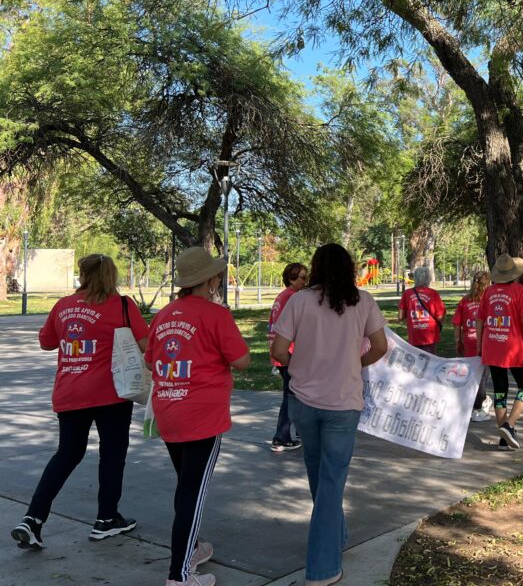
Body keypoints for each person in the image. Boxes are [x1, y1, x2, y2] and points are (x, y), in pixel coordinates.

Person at [11, 254, 149, 551]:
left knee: (67, 454)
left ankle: (33, 518)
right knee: (113, 454)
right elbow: (146, 344)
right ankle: (106, 518)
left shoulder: (63, 306)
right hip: (111, 393)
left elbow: (46, 342)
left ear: (82, 274)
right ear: (111, 275)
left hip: (70, 392)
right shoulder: (122, 306)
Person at [271, 243, 388, 586]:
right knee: (331, 481)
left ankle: (334, 538)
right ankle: (323, 568)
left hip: (303, 401)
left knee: (319, 475)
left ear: (316, 267)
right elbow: (379, 346)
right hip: (342, 403)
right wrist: (355, 362)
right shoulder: (362, 301)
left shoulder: (299, 301)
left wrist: (302, 364)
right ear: (349, 268)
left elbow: (279, 351)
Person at [148, 246, 251, 586]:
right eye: (216, 275)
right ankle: (179, 576)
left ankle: (189, 550)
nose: (218, 279)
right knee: (193, 492)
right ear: (208, 280)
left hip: (169, 411)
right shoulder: (216, 315)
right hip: (202, 416)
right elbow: (241, 360)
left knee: (186, 487)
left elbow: (151, 360)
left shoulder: (165, 314)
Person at [479, 254, 523, 451]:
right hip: (515, 348)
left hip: (493, 346)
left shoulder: (488, 292)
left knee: (500, 390)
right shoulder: (520, 291)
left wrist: (480, 345)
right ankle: (509, 424)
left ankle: (504, 440)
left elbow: (480, 320)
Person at [267, 262, 308, 453]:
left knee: (296, 394)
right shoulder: (292, 298)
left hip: (280, 351)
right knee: (292, 395)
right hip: (289, 352)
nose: (306, 282)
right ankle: (281, 437)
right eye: (302, 278)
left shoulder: (282, 297)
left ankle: (300, 431)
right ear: (292, 278)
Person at [453, 271, 493, 421]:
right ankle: (478, 405)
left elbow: (457, 323)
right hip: (485, 341)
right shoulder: (488, 300)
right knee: (482, 375)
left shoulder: (465, 300)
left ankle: (469, 402)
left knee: (471, 373)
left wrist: (458, 341)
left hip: (468, 340)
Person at [398, 266, 446, 354]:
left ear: (415, 278)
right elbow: (440, 316)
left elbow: (400, 316)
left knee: (416, 364)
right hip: (430, 336)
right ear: (428, 279)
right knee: (430, 362)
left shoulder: (407, 294)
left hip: (414, 336)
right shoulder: (433, 293)